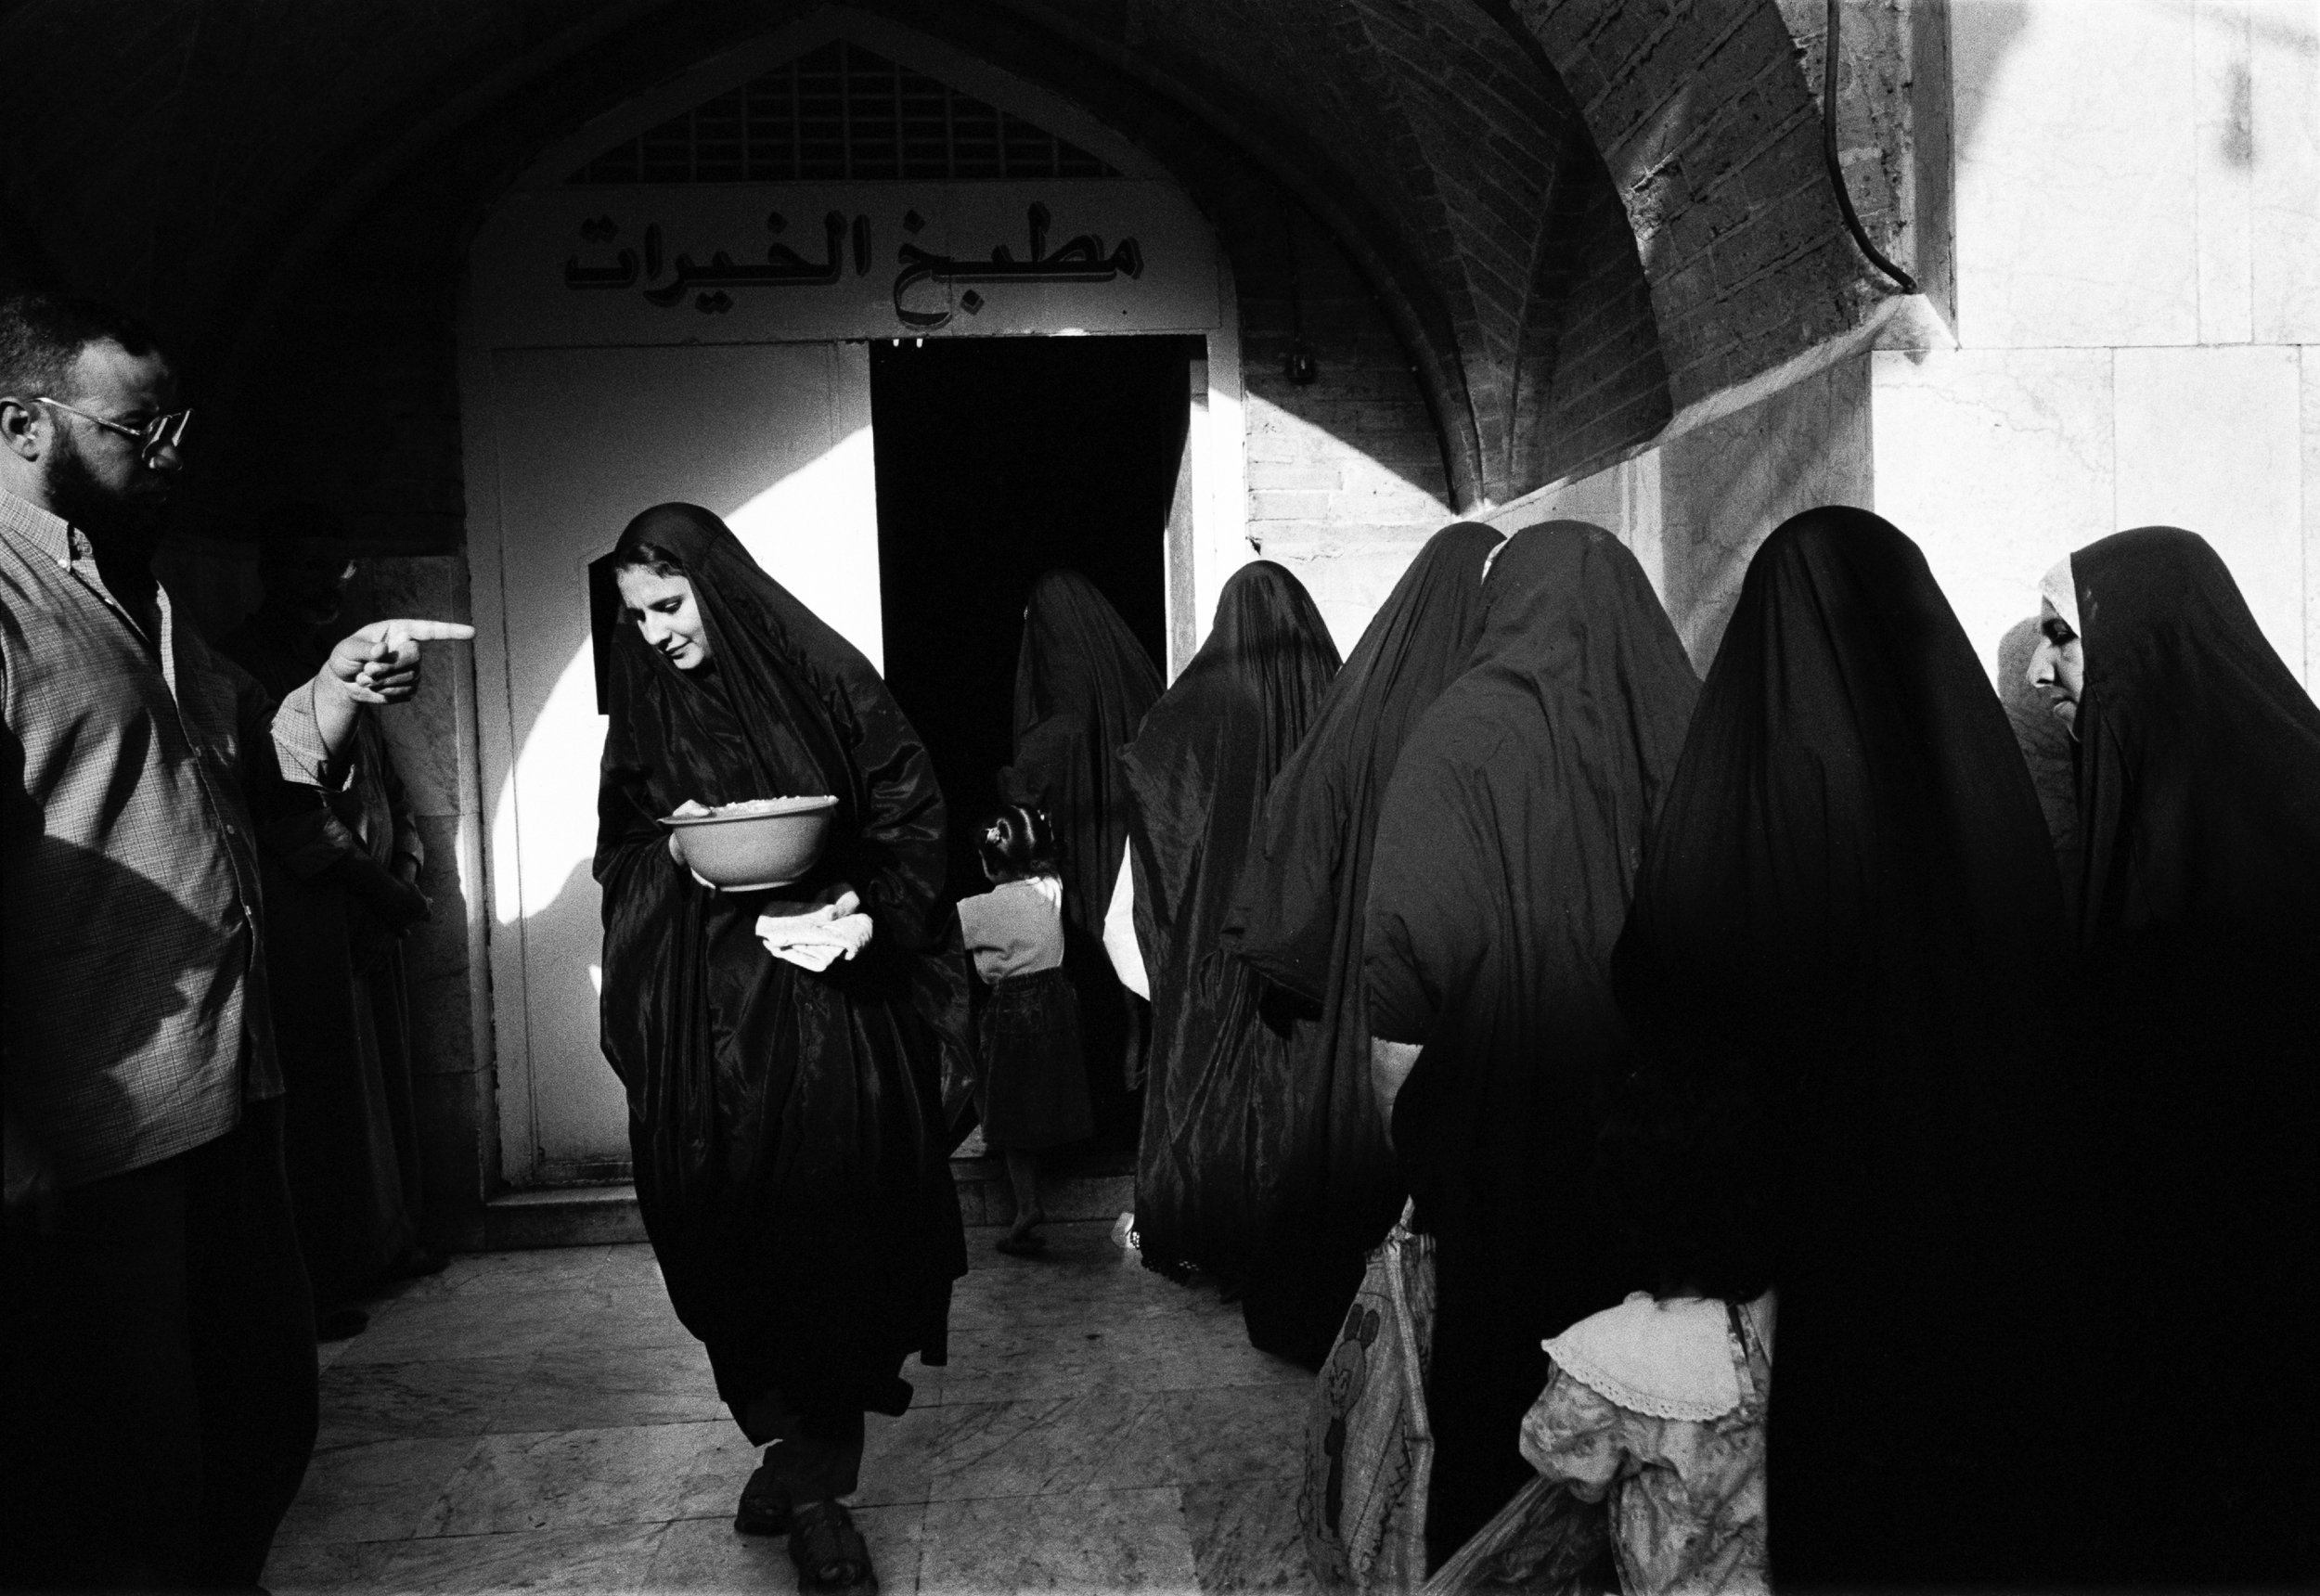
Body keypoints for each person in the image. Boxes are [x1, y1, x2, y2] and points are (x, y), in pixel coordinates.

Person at [0, 289, 470, 1590]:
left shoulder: (127, 593)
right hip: (96, 1145)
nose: (171, 455)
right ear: (19, 424)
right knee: (120, 1478)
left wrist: (330, 693)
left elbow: (236, 763)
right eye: (136, 429)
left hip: (222, 1098)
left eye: (176, 425)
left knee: (258, 1416)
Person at [1610, 508, 2078, 1589]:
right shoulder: (1991, 795)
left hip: (1812, 1269)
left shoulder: (1727, 804)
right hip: (1983, 1252)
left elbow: (1667, 999)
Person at [593, 503, 968, 1594]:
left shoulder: (826, 676)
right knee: (726, 1231)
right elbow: (622, 844)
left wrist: (867, 915)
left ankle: (812, 1489)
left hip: (828, 1016)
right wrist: (683, 858)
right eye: (637, 615)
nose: (657, 632)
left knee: (836, 1236)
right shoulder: (648, 707)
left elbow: (912, 812)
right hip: (704, 1026)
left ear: (721, 586)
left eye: (670, 604)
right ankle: (789, 1454)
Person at [1362, 521, 1697, 1570]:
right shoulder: (1684, 724)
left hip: (1505, 1168)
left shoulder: (1456, 737)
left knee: (1504, 1415)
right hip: (1665, 1171)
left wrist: (1426, 1160)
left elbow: (1400, 996)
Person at [2026, 526, 2320, 1584]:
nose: (2037, 665)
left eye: (2062, 635)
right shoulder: (2157, 804)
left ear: (2142, 643)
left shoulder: (2265, 823)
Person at [1223, 520, 1502, 1368]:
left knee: (1349, 1158)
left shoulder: (1365, 698)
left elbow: (1294, 828)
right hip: (1450, 978)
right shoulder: (1481, 707)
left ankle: (1338, 1320)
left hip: (1355, 983)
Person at [221, 505, 443, 1340]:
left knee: (381, 1078)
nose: (326, 587)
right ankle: (323, 1271)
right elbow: (281, 804)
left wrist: (407, 867)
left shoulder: (351, 661)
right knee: (325, 1095)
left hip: (374, 900)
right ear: (271, 572)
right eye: (308, 567)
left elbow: (384, 780)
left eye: (338, 570)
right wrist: (369, 885)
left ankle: (387, 1241)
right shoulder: (244, 664)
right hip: (309, 914)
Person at [1117, 560, 1339, 1285]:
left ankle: (1209, 1222)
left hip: (1218, 930)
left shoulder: (1206, 699)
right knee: (1289, 1087)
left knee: (1210, 1073)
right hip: (1304, 933)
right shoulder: (1331, 691)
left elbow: (1157, 788)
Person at [998, 571, 1163, 1143]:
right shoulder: (1134, 680)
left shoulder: (1067, 704)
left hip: (1094, 858)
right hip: (1136, 854)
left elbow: (1062, 729)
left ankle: (1103, 1109)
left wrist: (1016, 784)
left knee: (1096, 974)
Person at [956, 802, 1095, 1255]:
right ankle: (1026, 1196)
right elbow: (1050, 862)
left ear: (989, 865)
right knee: (1035, 1096)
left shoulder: (980, 909)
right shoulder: (1050, 888)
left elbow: (938, 935)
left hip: (1014, 1006)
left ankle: (1027, 1205)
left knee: (1008, 1110)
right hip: (1058, 1000)